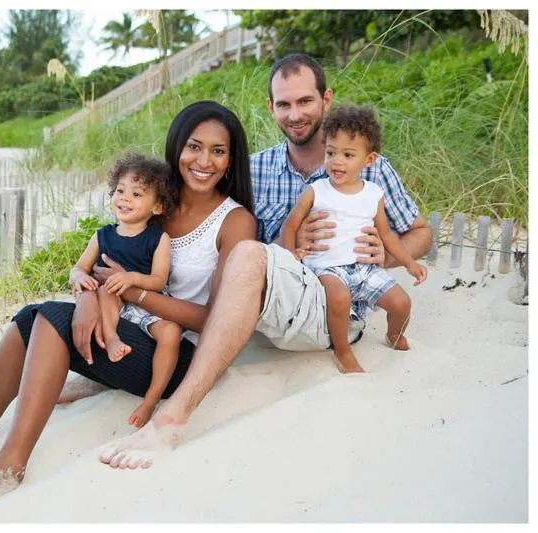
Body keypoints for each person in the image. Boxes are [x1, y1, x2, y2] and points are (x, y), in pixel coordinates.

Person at [96, 53, 433, 469]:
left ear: (326, 100)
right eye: (285, 104)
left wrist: (385, 253)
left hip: (334, 303)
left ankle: (172, 418)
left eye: (306, 101)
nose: (296, 114)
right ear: (271, 108)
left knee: (251, 253)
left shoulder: (370, 167)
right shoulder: (255, 169)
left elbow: (422, 233)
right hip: (266, 304)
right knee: (251, 252)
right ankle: (106, 373)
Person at [0, 100, 256, 505]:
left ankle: (9, 466)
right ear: (176, 148)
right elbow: (98, 268)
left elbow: (214, 321)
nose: (204, 160)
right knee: (30, 318)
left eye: (218, 151)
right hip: (128, 326)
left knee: (48, 318)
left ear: (231, 159)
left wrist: (135, 292)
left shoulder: (234, 221)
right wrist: (86, 301)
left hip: (181, 356)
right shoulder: (151, 206)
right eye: (194, 146)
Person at [279, 104, 427, 373]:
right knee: (338, 299)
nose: (337, 161)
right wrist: (292, 253)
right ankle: (342, 350)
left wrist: (408, 262)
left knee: (402, 303)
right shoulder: (316, 191)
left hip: (364, 268)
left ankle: (394, 335)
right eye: (331, 152)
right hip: (326, 267)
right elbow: (289, 226)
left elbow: (386, 235)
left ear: (368, 160)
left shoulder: (373, 194)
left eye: (348, 155)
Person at [69, 151, 183, 428]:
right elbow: (79, 268)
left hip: (144, 303)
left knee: (171, 331)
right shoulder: (102, 235)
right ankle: (111, 340)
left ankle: (151, 399)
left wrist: (132, 278)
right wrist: (78, 279)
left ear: (157, 207)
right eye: (120, 190)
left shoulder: (159, 238)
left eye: (136, 194)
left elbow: (159, 279)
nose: (124, 198)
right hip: (110, 304)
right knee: (107, 287)